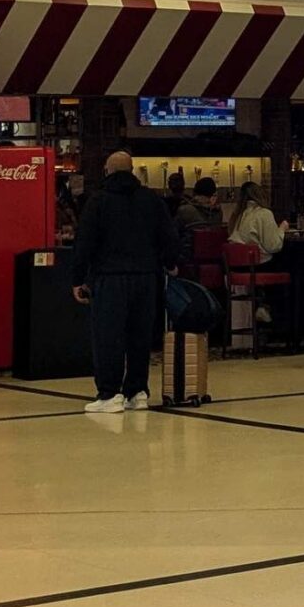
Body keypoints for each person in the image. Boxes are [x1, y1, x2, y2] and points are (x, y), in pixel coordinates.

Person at [71, 151, 180, 414]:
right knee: (140, 336)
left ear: (107, 171)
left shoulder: (98, 201)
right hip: (146, 278)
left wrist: (78, 279)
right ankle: (137, 391)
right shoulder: (151, 199)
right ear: (132, 171)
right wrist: (170, 263)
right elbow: (168, 236)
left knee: (108, 336)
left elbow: (84, 243)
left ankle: (109, 394)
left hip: (110, 278)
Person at [229, 182, 286, 262]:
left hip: (236, 265)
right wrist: (282, 228)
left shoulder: (238, 215)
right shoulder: (264, 213)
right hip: (258, 265)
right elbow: (273, 246)